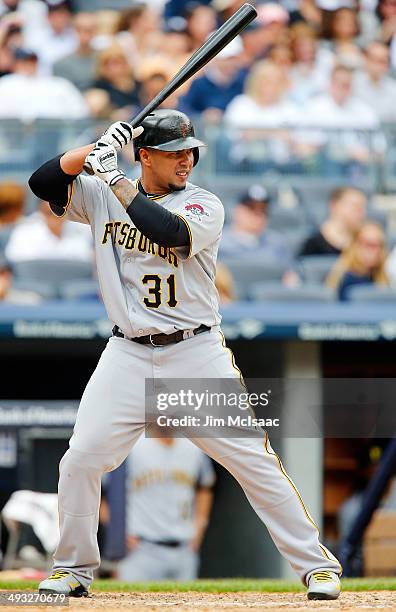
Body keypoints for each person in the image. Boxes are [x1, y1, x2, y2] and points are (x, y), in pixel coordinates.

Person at [29, 109, 341, 600]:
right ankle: (72, 568)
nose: (186, 160)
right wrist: (90, 152)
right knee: (81, 460)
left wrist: (113, 174)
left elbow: (166, 232)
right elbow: (41, 182)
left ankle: (317, 566)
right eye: (173, 152)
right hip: (126, 353)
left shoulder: (203, 204)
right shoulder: (100, 193)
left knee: (252, 462)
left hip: (194, 351)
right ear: (145, 155)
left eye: (190, 151)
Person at [117, 431, 215, 581]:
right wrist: (118, 532)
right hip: (141, 548)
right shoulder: (132, 444)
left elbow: (205, 487)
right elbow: (104, 493)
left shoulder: (194, 445)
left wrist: (199, 526)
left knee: (186, 603)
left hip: (184, 548)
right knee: (132, 603)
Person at [219, 185, 294, 273]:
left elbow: (291, 276)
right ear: (236, 211)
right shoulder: (217, 242)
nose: (258, 214)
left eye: (263, 210)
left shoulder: (277, 243)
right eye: (251, 208)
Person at [0, 47, 88, 121]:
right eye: (24, 61)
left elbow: (79, 111)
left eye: (32, 61)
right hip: (14, 135)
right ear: (15, 64)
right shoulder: (6, 83)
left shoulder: (57, 84)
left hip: (53, 133)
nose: (29, 65)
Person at [5, 201, 92, 264]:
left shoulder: (82, 229)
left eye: (60, 212)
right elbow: (14, 260)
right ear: (40, 212)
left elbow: (89, 260)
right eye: (49, 213)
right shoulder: (23, 232)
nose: (56, 216)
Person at [325, 221, 389, 300]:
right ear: (355, 245)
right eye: (369, 244)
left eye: (379, 245)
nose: (375, 251)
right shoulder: (345, 280)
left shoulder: (381, 277)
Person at [300, 186, 367, 256]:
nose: (362, 213)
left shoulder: (364, 245)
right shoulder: (312, 244)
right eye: (355, 206)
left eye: (363, 207)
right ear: (334, 206)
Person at [53, 12, 98, 92]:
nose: (85, 34)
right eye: (79, 29)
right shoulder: (61, 64)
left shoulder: (105, 58)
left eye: (90, 30)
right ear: (73, 30)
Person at [353, 41, 396, 123]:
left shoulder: (394, 88)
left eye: (383, 61)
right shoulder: (351, 84)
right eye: (374, 59)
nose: (377, 65)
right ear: (365, 58)